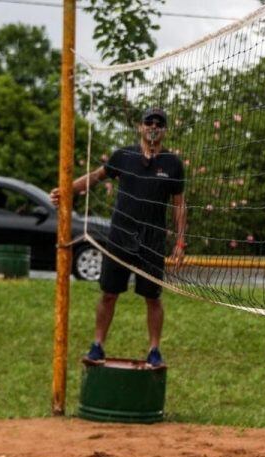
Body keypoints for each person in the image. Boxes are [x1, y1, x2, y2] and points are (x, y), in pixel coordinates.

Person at [50, 107, 186, 367]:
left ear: (165, 130)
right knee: (109, 294)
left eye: (159, 123)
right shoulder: (124, 156)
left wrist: (180, 242)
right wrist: (67, 190)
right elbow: (96, 178)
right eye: (149, 122)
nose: (153, 126)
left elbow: (180, 204)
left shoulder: (173, 164)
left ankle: (154, 351)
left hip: (152, 239)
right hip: (120, 235)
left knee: (153, 297)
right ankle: (97, 345)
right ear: (141, 127)